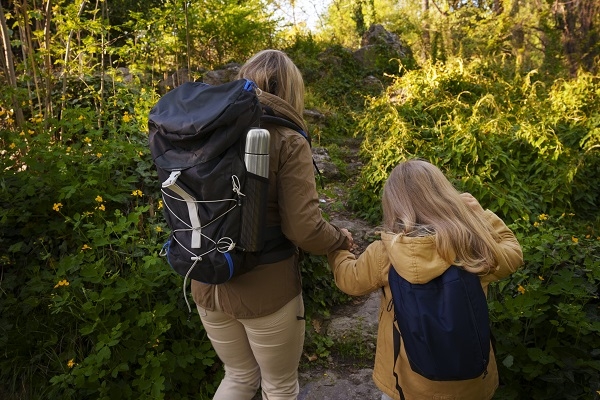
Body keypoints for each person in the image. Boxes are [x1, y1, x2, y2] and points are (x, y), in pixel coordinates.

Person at [191, 49, 353, 400]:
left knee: (237, 376)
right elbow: (304, 229)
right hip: (265, 289)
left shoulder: (208, 131)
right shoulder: (287, 139)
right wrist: (339, 239)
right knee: (278, 386)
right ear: (292, 90)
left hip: (206, 277)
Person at [327, 159, 524, 400]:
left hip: (405, 385)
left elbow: (349, 280)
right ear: (445, 195)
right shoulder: (471, 246)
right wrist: (479, 215)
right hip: (470, 385)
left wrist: (337, 248)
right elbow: (513, 253)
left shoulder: (385, 253)